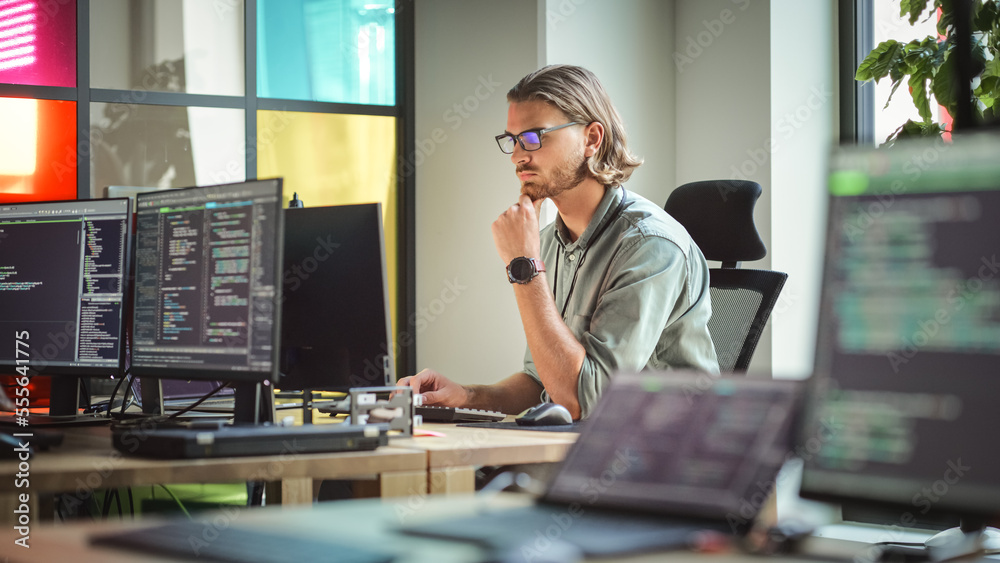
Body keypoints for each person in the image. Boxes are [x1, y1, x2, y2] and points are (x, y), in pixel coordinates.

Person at [399, 64, 718, 420]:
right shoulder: (549, 242)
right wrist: (466, 395)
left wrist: (524, 268)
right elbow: (542, 382)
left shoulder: (650, 246)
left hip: (661, 458)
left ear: (591, 139)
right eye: (513, 140)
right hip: (587, 450)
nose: (519, 156)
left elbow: (582, 401)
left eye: (535, 137)